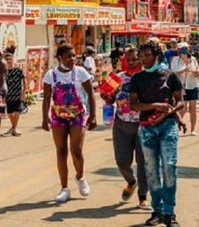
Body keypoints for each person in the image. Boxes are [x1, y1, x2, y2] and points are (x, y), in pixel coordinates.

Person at [130, 41, 185, 227]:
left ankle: (169, 212)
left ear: (157, 56)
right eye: (141, 55)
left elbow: (180, 102)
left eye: (147, 55)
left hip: (167, 126)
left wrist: (167, 113)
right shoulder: (137, 79)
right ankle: (157, 211)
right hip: (146, 128)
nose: (143, 59)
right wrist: (154, 106)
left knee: (169, 167)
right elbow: (134, 105)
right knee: (152, 171)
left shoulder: (170, 76)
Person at [41, 43, 97, 204]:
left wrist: (93, 116)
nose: (72, 59)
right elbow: (46, 99)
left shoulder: (81, 72)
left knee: (76, 150)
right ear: (60, 58)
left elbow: (91, 94)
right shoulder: (50, 75)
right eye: (68, 56)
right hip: (58, 116)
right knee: (61, 151)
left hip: (78, 116)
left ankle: (80, 177)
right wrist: (45, 118)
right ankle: (64, 188)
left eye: (74, 55)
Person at [106, 45, 151, 213]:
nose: (131, 63)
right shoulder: (117, 78)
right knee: (121, 161)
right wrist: (107, 96)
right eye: (129, 60)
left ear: (141, 59)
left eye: (135, 59)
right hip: (121, 125)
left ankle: (143, 197)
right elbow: (108, 98)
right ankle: (132, 182)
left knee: (142, 163)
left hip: (142, 125)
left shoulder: (146, 78)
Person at [168, 43, 199, 136]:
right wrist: (183, 70)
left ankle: (193, 129)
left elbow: (198, 71)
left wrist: (197, 72)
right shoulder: (175, 60)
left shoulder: (193, 59)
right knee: (183, 108)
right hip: (181, 86)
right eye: (183, 48)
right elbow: (173, 74)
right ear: (179, 50)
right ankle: (176, 126)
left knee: (193, 108)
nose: (185, 50)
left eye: (186, 48)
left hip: (193, 85)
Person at [2, 50, 25, 136]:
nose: (9, 61)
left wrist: (24, 93)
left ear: (13, 59)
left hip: (18, 93)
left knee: (17, 111)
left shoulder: (18, 70)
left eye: (10, 59)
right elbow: (2, 83)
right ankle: (13, 127)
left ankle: (14, 128)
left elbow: (24, 81)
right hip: (8, 94)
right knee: (10, 113)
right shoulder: (4, 71)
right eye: (7, 59)